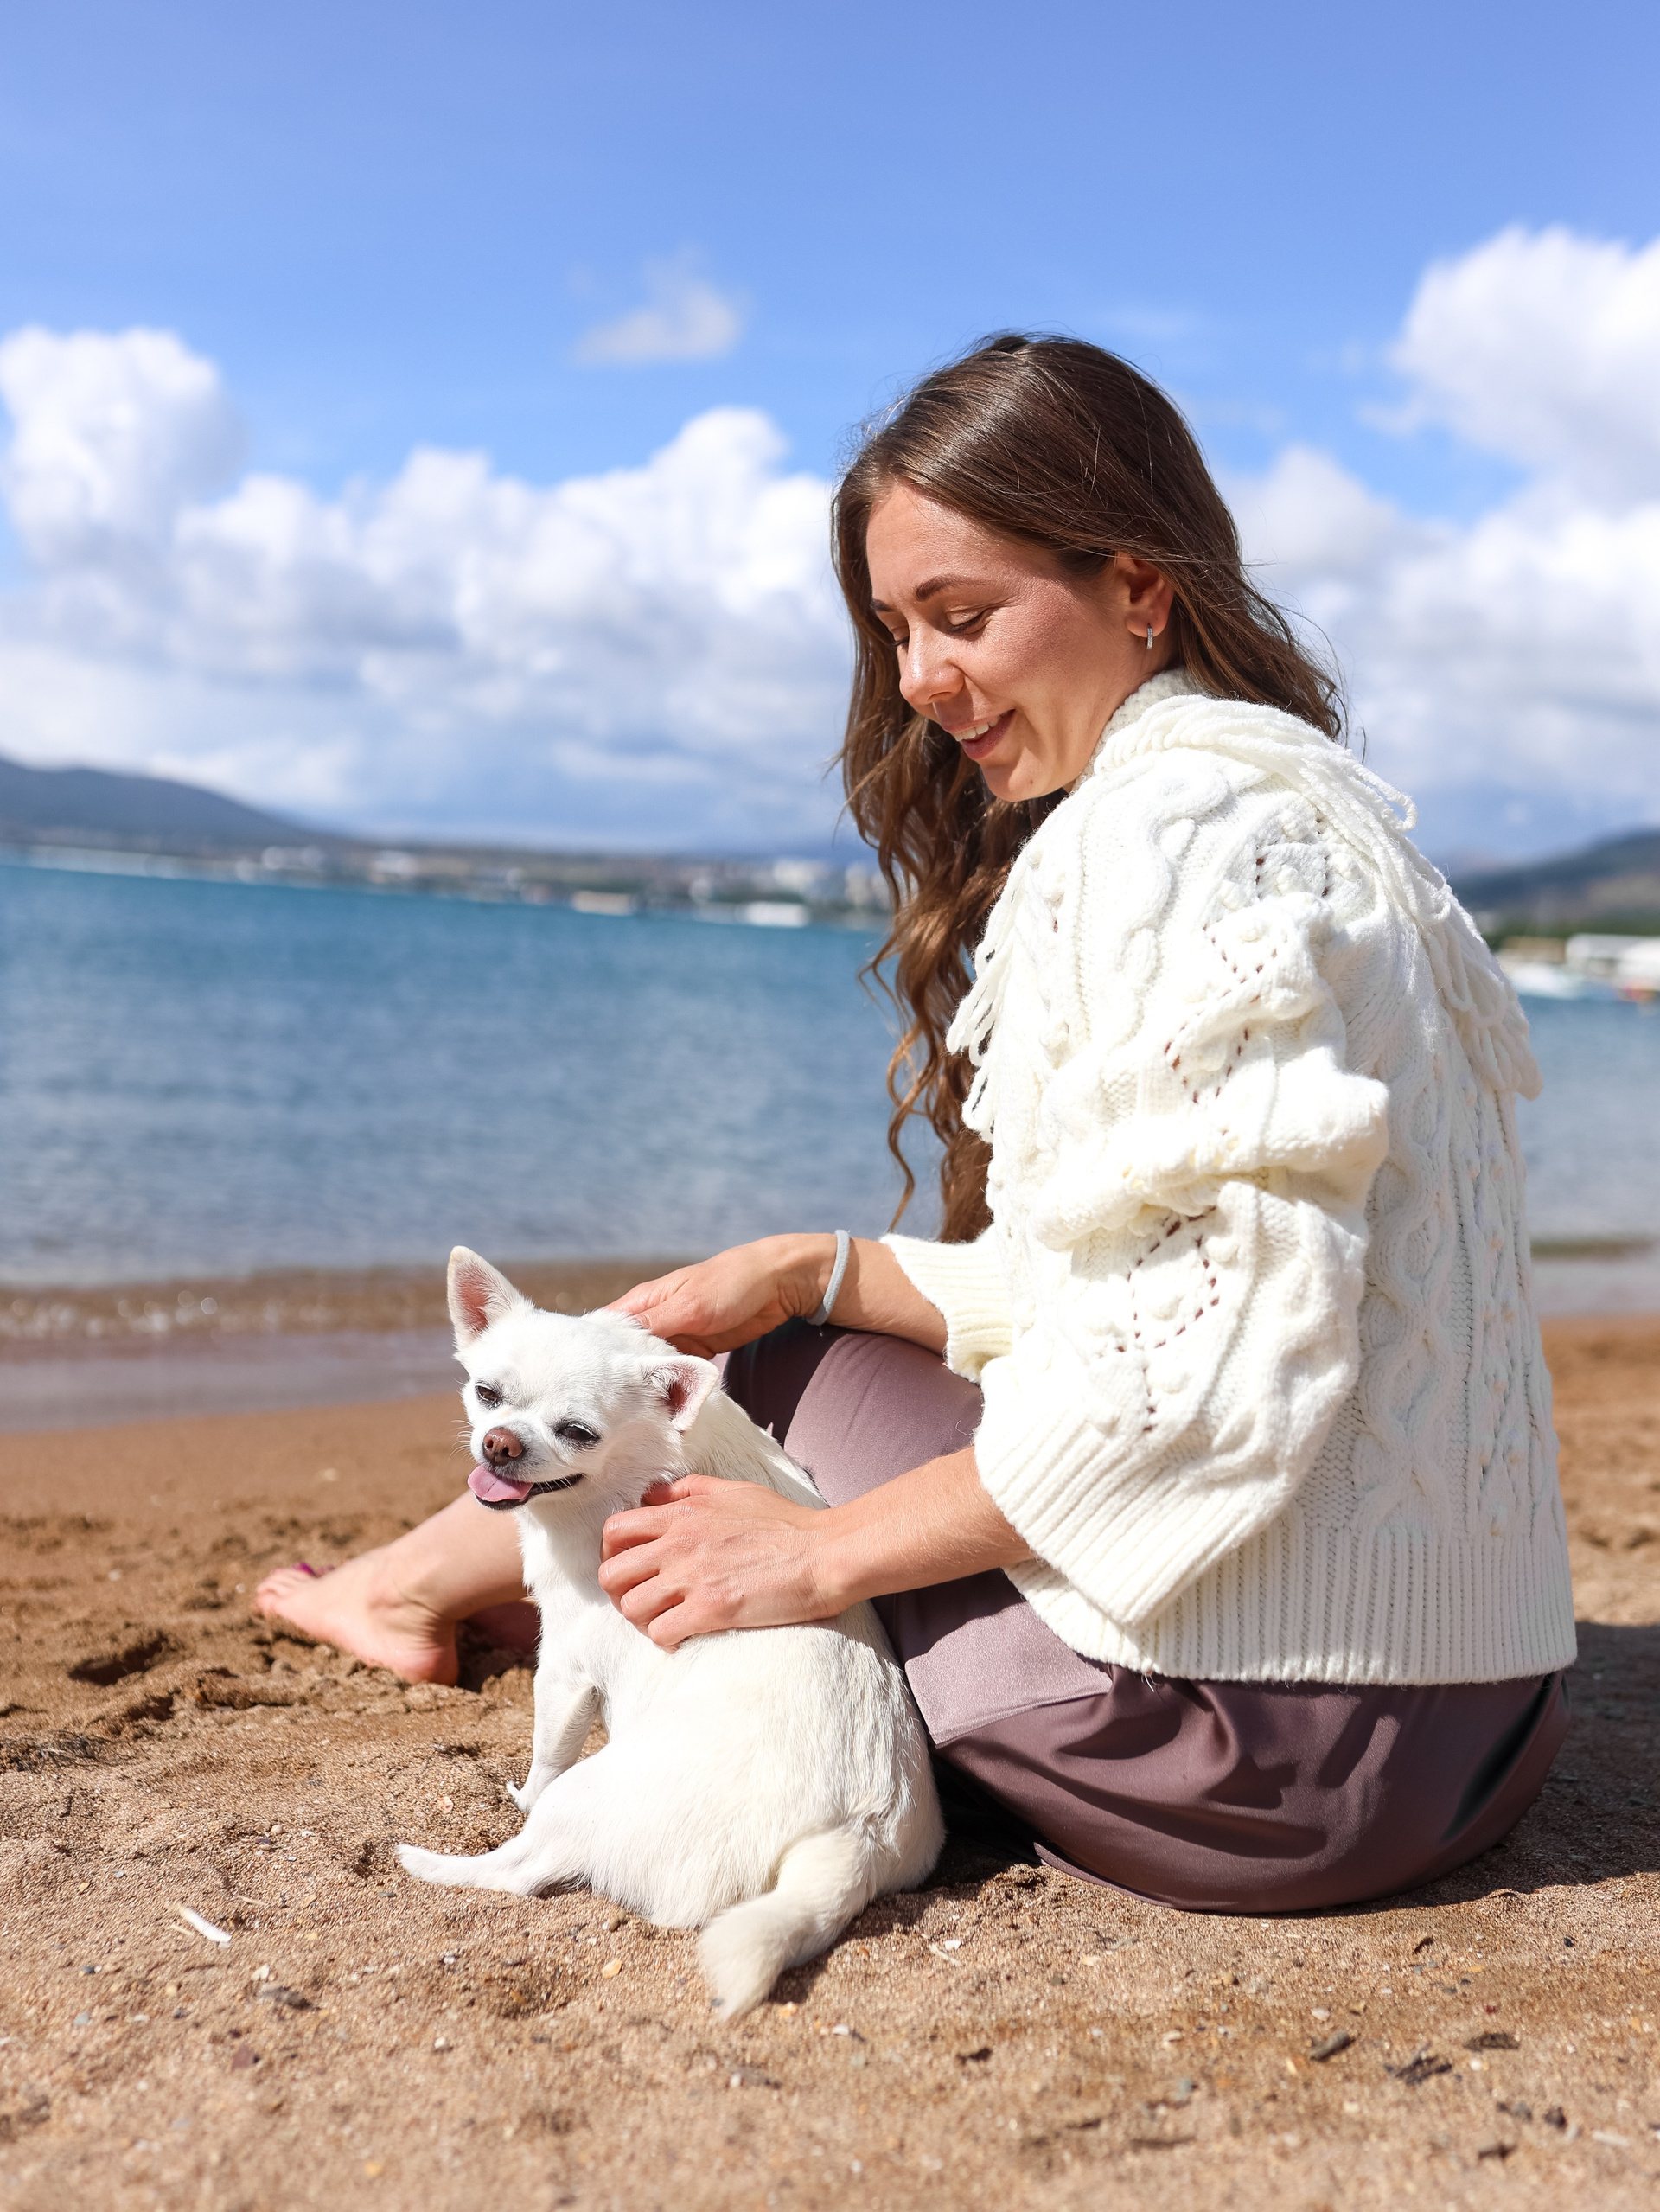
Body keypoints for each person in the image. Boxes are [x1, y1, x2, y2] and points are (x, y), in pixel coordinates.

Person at [259, 335, 1574, 1911]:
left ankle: (411, 1587)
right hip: (1480, 1729)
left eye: (962, 617)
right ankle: (451, 1578)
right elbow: (1164, 1287)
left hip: (1259, 1757)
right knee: (777, 1323)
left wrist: (816, 1556)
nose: (918, 681)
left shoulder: (1161, 840)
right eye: (894, 631)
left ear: (1138, 588)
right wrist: (812, 1262)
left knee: (747, 1380)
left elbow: (1189, 1384)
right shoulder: (1312, 812)